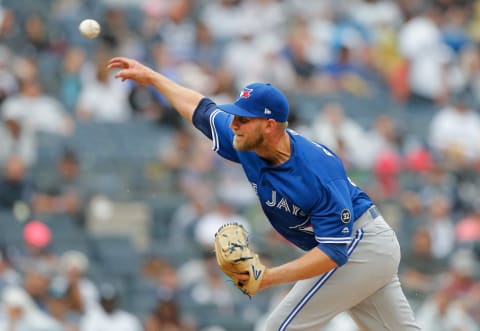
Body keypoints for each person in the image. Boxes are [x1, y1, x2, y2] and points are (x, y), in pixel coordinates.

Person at [107, 57, 420, 330]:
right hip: (362, 250)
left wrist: (267, 277)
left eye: (243, 119)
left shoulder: (316, 171)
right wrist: (154, 78)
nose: (235, 125)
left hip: (360, 244)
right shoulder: (247, 141)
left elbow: (334, 253)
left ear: (270, 126)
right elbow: (200, 110)